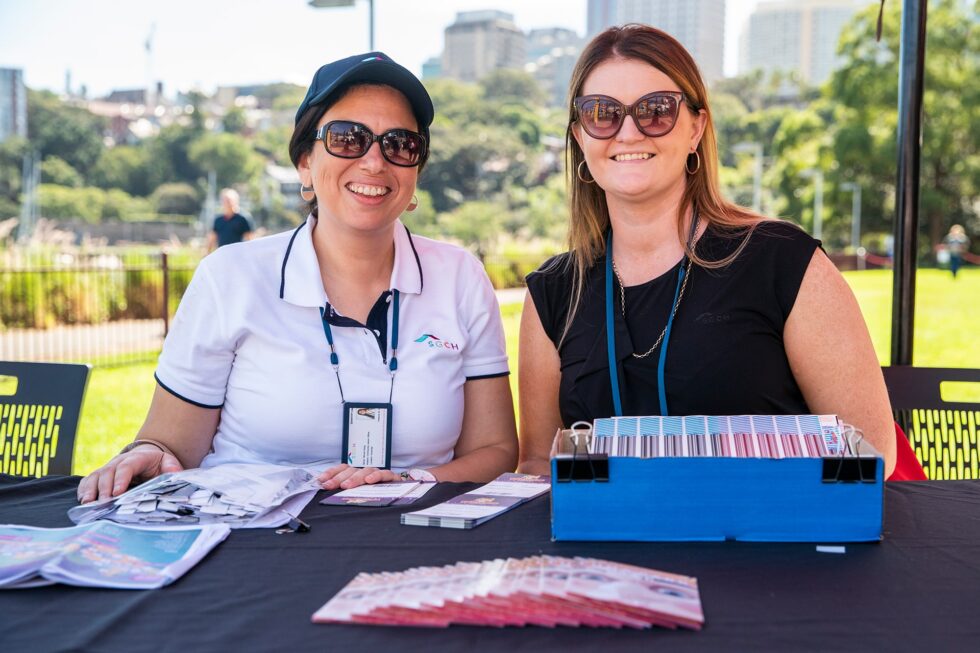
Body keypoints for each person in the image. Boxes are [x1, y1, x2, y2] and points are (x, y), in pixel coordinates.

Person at [78, 52, 517, 503]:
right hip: (249, 543)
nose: (374, 162)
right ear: (305, 162)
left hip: (408, 538)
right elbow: (170, 446)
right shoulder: (228, 277)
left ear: (416, 171)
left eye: (400, 144)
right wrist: (147, 453)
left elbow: (495, 451)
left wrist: (411, 481)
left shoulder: (461, 277)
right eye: (348, 139)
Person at [517, 25, 896, 478]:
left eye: (656, 110)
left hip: (762, 542)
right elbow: (539, 463)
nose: (629, 132)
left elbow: (870, 450)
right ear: (580, 136)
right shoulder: (554, 291)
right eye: (602, 112)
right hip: (607, 540)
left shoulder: (782, 260)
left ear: (696, 127)